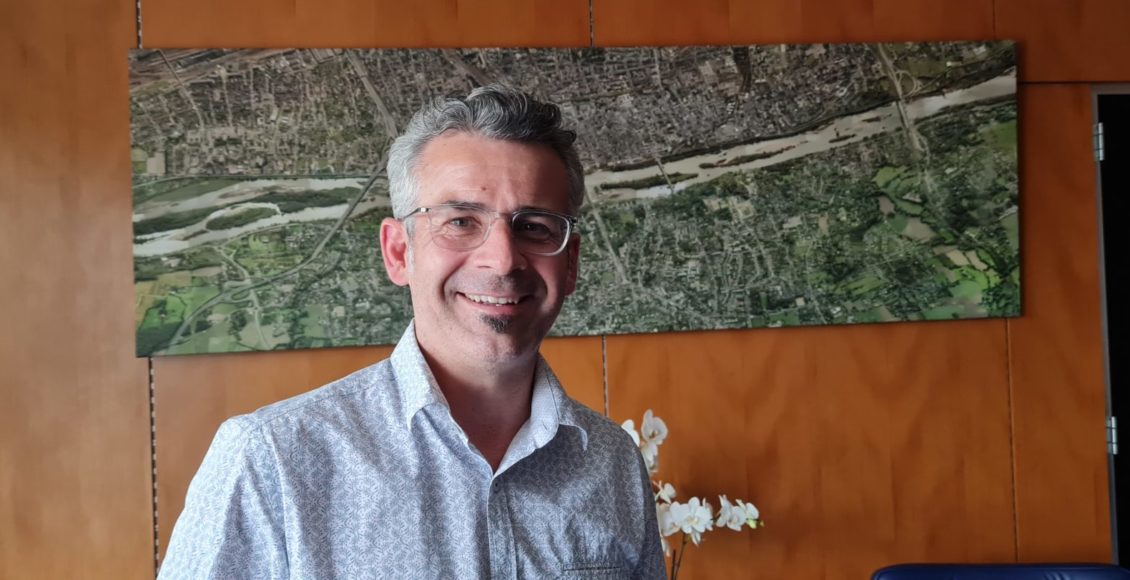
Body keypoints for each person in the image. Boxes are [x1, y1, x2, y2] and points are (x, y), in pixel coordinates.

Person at [158, 85, 665, 579]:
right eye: (461, 221)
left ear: (570, 263)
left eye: (534, 226)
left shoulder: (612, 462)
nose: (502, 260)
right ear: (399, 251)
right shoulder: (272, 460)